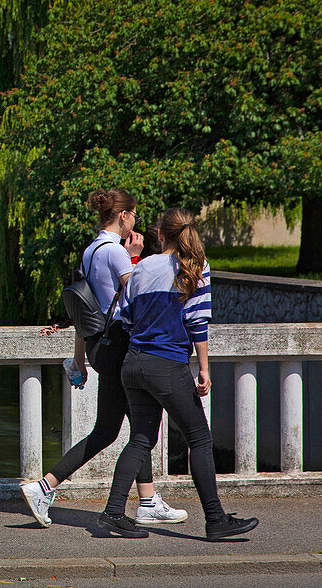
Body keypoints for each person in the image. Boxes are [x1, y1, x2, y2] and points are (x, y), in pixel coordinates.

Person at [21, 189, 186, 527]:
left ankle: (146, 500)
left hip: (102, 348)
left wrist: (80, 357)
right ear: (123, 216)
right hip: (123, 347)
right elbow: (137, 299)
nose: (136, 220)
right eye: (134, 214)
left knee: (118, 429)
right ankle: (46, 487)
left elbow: (86, 310)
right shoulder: (117, 254)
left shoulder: (89, 251)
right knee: (130, 430)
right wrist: (137, 258)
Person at [97, 208, 258, 540]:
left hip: (134, 363)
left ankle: (113, 513)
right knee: (199, 438)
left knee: (141, 438)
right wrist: (204, 369)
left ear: (159, 235)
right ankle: (215, 519)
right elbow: (197, 323)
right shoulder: (195, 268)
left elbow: (125, 317)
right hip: (167, 365)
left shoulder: (140, 268)